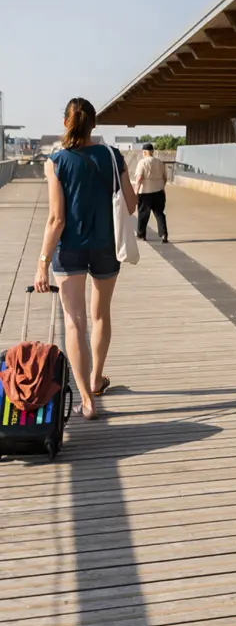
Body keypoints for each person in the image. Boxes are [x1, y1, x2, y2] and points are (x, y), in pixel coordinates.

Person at [34, 98, 137, 419]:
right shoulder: (112, 155)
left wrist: (41, 263)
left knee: (75, 322)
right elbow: (131, 205)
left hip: (69, 248)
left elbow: (56, 219)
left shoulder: (57, 161)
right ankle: (96, 380)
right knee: (100, 314)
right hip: (106, 245)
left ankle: (86, 400)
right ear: (93, 124)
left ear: (66, 123)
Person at [135, 143, 169, 242]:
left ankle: (141, 234)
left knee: (143, 214)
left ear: (144, 152)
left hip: (145, 192)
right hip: (159, 192)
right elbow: (165, 178)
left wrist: (135, 191)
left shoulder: (142, 162)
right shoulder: (160, 162)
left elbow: (139, 178)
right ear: (152, 152)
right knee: (159, 213)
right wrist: (161, 187)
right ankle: (164, 234)